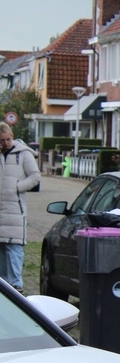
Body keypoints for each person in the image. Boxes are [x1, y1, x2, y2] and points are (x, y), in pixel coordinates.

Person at [0, 123, 40, 292]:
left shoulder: (23, 154)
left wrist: (17, 187)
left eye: (8, 139)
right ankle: (3, 285)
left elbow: (35, 176)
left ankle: (16, 284)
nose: (6, 143)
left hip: (15, 208)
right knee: (1, 248)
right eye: (2, 140)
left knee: (14, 248)